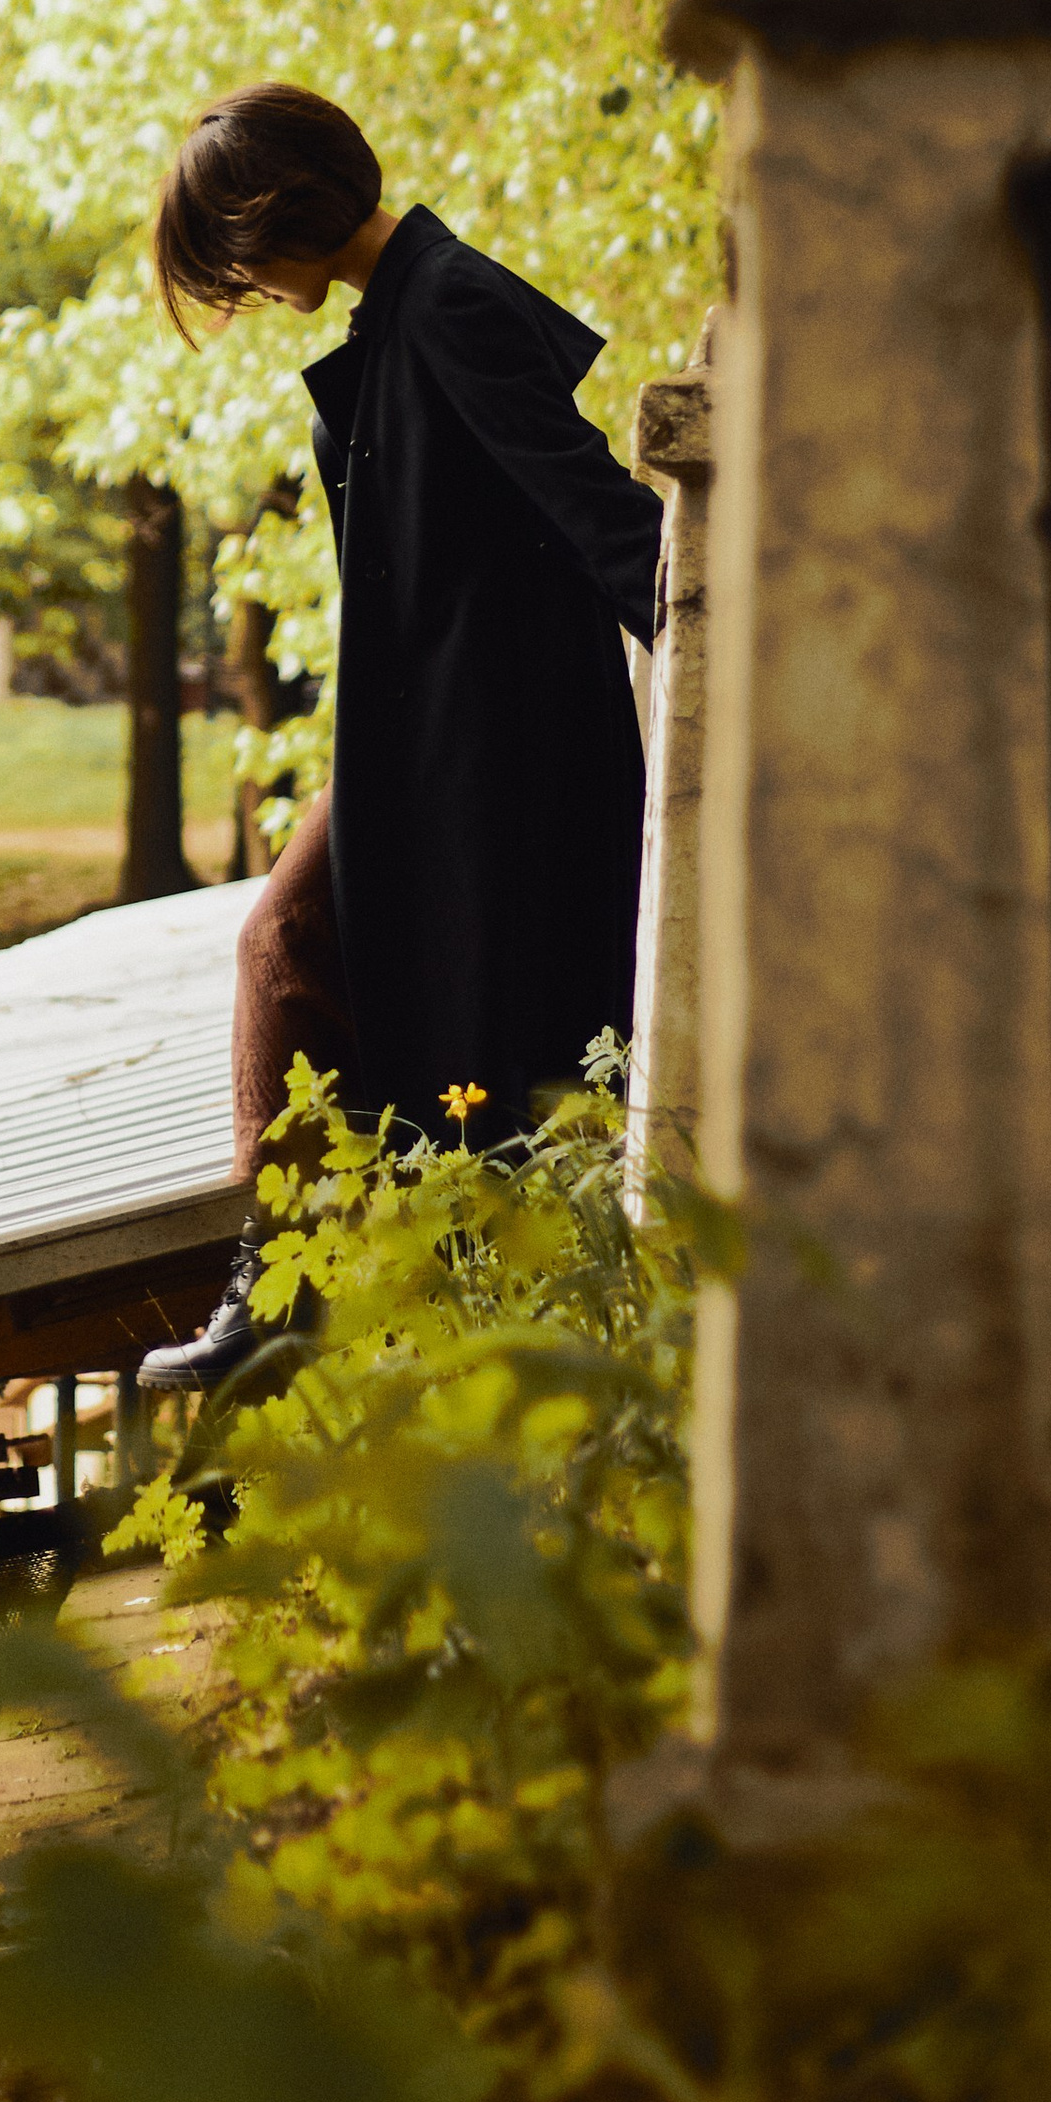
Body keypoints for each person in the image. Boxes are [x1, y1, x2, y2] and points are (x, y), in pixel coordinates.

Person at [136, 82, 664, 1389]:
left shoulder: (452, 304)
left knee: (296, 945)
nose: (247, 291)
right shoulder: (417, 305)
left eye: (237, 262)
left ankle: (293, 1280)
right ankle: (294, 1274)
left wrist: (733, 647)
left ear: (276, 219)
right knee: (304, 954)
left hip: (490, 756)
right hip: (429, 741)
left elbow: (602, 514)